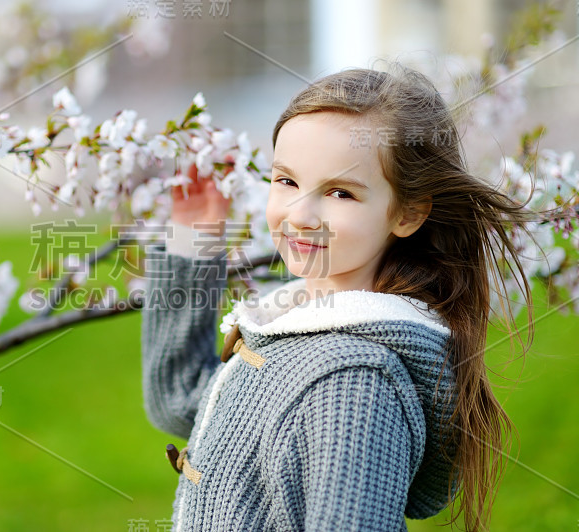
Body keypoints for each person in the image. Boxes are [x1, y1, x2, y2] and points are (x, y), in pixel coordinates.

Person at [140, 65, 535, 531]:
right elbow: (180, 399)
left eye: (341, 193)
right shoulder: (295, 329)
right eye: (286, 181)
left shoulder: (355, 384)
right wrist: (195, 235)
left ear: (407, 213)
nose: (300, 215)